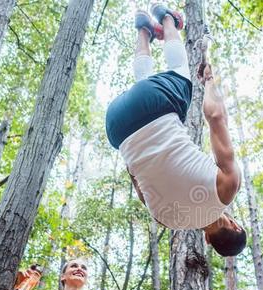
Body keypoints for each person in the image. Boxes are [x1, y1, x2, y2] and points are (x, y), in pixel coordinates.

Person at [105, 4, 246, 257]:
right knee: (145, 88)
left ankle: (168, 19)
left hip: (155, 105)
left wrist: (210, 80)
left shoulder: (227, 188)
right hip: (116, 128)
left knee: (181, 73)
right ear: (208, 240)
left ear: (234, 224)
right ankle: (143, 31)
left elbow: (215, 116)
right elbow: (136, 178)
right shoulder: (167, 222)